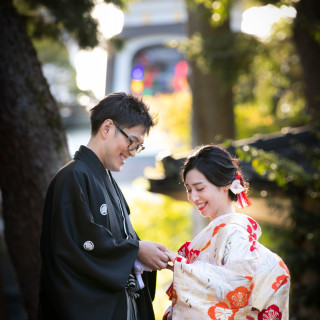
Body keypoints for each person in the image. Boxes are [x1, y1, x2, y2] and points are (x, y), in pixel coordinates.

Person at [37, 92, 169, 320]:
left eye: (138, 146)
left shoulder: (106, 180)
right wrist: (136, 251)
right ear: (107, 128)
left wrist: (145, 253)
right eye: (132, 142)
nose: (133, 152)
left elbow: (117, 242)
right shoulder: (72, 177)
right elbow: (74, 252)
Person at [163, 145, 290, 320]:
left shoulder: (234, 233)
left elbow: (236, 290)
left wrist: (180, 266)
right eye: (188, 190)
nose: (193, 197)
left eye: (199, 189)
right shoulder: (220, 232)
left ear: (225, 184)